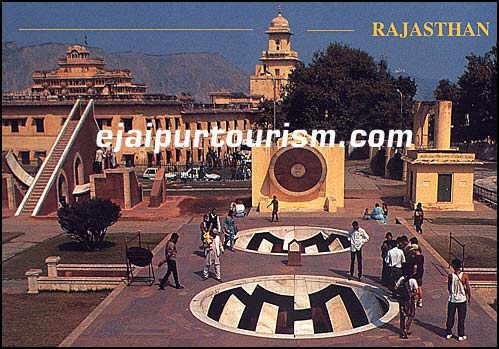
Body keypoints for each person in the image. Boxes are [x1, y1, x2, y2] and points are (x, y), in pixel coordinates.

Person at [445, 258, 471, 341]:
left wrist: (452, 293)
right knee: (461, 318)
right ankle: (461, 334)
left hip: (452, 299)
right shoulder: (465, 275)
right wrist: (469, 297)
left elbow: (449, 287)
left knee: (450, 317)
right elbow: (468, 287)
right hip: (462, 300)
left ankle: (449, 332)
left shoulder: (450, 276)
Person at [395, 268, 420, 339]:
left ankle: (402, 330)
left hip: (402, 299)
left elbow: (395, 287)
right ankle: (406, 329)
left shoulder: (402, 278)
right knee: (411, 315)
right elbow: (417, 291)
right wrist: (412, 294)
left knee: (402, 315)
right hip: (410, 300)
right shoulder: (413, 280)